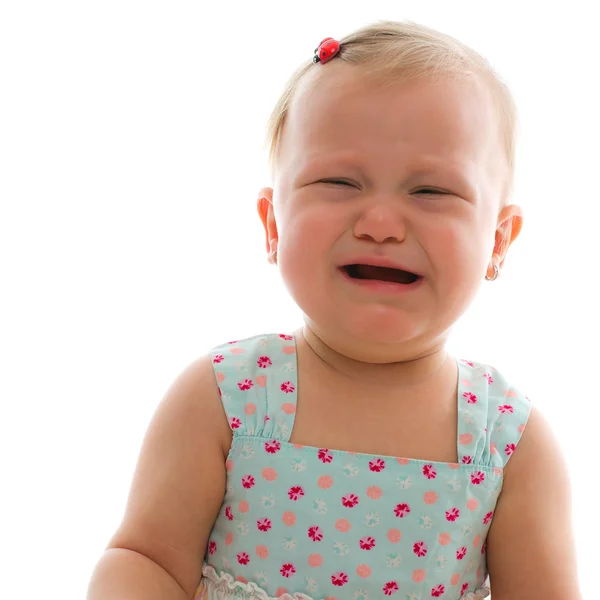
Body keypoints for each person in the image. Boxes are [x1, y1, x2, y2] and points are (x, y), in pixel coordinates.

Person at [87, 20, 581, 600]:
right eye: (339, 182)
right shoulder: (227, 398)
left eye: (430, 192)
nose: (380, 225)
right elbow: (145, 560)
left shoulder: (507, 443)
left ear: (498, 241)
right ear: (273, 225)